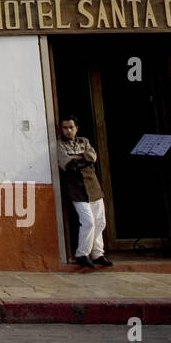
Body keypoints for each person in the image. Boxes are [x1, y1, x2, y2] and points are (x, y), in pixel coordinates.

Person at [57, 115, 112, 268]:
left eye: (71, 127)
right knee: (88, 221)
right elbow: (65, 163)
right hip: (76, 188)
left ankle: (97, 253)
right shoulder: (60, 145)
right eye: (65, 128)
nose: (68, 130)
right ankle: (82, 253)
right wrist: (82, 158)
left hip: (92, 186)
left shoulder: (84, 141)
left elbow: (92, 156)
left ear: (76, 128)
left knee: (100, 221)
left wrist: (77, 157)